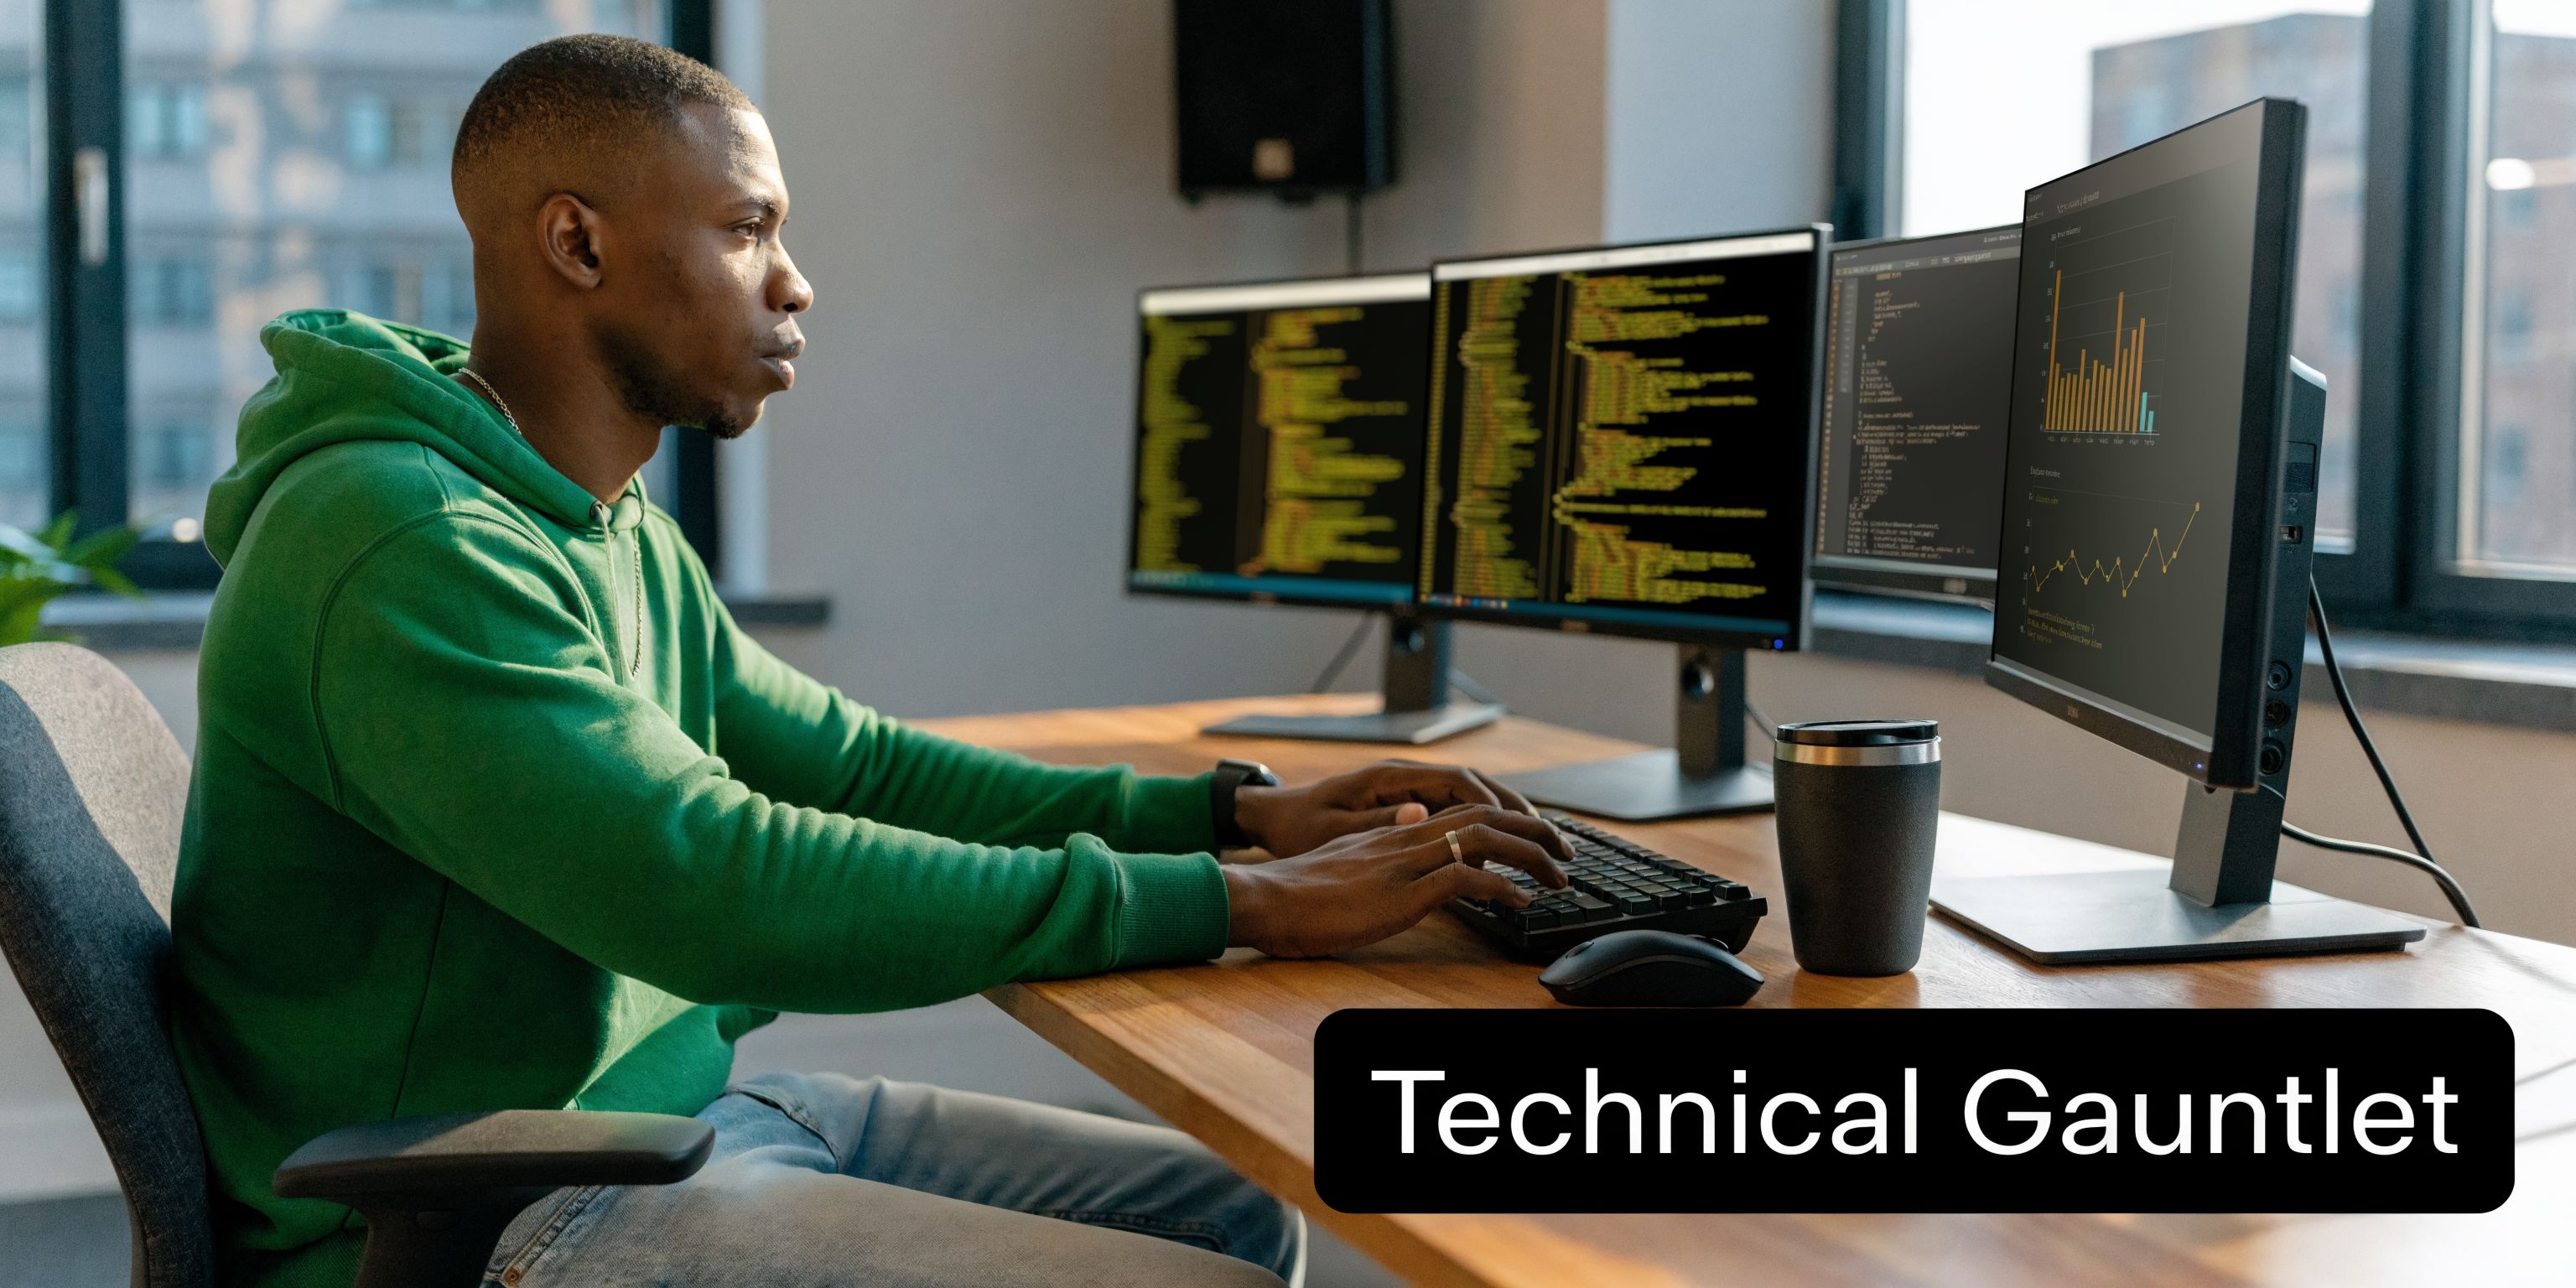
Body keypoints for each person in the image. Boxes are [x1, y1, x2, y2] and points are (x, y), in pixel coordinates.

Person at [169, 33, 1570, 1288]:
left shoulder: (593, 518)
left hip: (662, 1130)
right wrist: (1238, 903)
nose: (796, 280)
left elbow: (848, 764)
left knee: (1225, 1218)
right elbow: (707, 880)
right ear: (579, 247)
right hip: (475, 1212)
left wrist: (1226, 815)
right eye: (747, 228)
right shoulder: (401, 540)